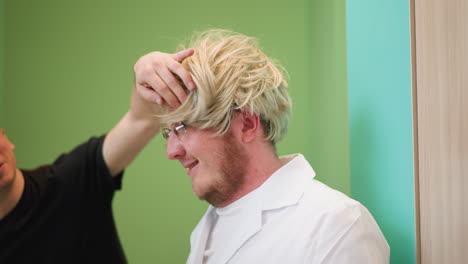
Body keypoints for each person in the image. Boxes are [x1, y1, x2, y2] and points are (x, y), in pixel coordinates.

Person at [141, 29, 390, 264]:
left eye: (183, 128)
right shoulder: (205, 231)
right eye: (169, 133)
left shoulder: (336, 226)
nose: (171, 151)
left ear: (247, 125)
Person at [0, 48, 196, 263]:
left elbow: (142, 120)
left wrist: (148, 73)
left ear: (5, 137)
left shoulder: (70, 182)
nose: (173, 152)